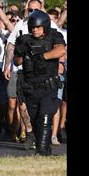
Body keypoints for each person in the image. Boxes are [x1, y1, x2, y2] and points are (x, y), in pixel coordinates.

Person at [13, 10, 66, 156]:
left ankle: (41, 151)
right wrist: (20, 52)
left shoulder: (54, 36)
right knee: (36, 119)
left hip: (48, 85)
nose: (35, 30)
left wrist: (42, 56)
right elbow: (16, 62)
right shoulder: (24, 39)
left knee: (45, 116)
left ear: (45, 26)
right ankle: (44, 147)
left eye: (38, 27)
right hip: (31, 86)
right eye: (33, 28)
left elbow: (61, 50)